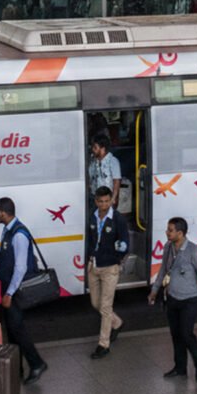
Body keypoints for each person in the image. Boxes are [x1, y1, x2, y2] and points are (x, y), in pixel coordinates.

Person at [148, 218, 197, 381]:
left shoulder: (194, 251)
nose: (167, 232)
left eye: (170, 230)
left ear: (180, 233)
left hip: (190, 299)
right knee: (176, 334)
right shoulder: (168, 247)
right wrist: (154, 290)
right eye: (168, 229)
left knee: (186, 334)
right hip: (173, 297)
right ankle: (180, 368)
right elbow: (162, 271)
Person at [0, 197, 47, 384]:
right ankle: (17, 368)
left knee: (17, 328)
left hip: (15, 290)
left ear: (3, 212)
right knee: (13, 329)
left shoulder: (19, 235)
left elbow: (20, 268)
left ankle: (37, 363)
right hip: (8, 286)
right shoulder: (8, 230)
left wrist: (9, 293)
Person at [86, 186, 129, 359]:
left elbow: (125, 243)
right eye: (100, 201)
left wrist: (117, 258)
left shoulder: (118, 219)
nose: (104, 204)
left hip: (110, 268)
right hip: (93, 266)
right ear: (96, 201)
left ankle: (103, 344)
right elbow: (90, 239)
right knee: (95, 304)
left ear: (112, 200)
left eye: (107, 201)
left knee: (105, 307)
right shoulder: (92, 216)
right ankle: (117, 323)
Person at [88, 133, 121, 204]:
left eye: (95, 147)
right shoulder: (93, 161)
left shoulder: (112, 161)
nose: (93, 150)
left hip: (106, 199)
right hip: (94, 197)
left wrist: (113, 198)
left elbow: (116, 181)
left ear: (103, 148)